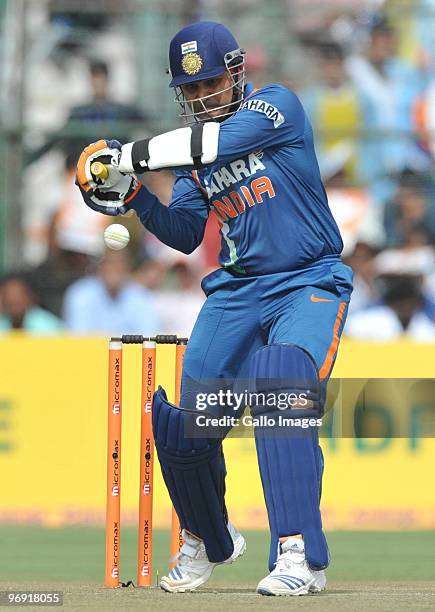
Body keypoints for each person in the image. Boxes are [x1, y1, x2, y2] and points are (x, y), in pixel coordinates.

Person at [76, 21, 353, 596]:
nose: (202, 98)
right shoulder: (190, 154)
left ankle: (298, 553)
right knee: (182, 428)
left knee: (280, 384)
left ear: (236, 72)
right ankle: (207, 537)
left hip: (306, 280)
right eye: (190, 90)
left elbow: (218, 145)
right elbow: (181, 233)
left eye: (209, 83)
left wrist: (126, 156)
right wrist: (131, 198)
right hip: (237, 290)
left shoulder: (277, 107)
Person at [62, 248, 160, 335]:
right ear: (100, 266)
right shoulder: (80, 293)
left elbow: (148, 336)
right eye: (110, 263)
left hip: (129, 354)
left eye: (120, 264)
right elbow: (79, 337)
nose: (114, 269)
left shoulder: (141, 296)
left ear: (128, 268)